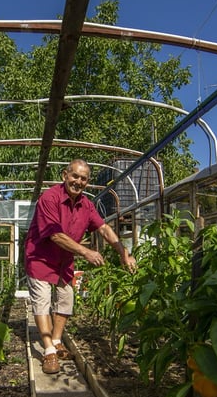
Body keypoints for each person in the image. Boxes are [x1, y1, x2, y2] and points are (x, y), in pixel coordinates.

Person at [24, 158, 137, 374]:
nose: (78, 181)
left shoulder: (86, 205)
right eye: (75, 176)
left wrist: (124, 253)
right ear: (64, 176)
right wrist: (86, 251)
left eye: (83, 178)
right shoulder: (49, 198)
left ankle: (56, 340)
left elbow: (103, 228)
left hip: (64, 260)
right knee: (42, 301)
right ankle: (48, 352)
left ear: (87, 182)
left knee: (66, 299)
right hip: (40, 257)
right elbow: (55, 235)